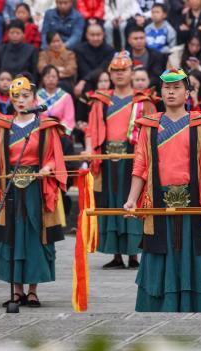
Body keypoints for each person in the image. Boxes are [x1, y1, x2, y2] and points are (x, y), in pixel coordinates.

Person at [123, 69, 201, 312]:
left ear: (188, 92)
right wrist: (131, 199)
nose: (170, 91)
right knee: (158, 255)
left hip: (194, 202)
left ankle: (195, 306)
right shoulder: (149, 126)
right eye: (166, 87)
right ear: (160, 92)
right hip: (158, 202)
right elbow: (141, 165)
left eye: (177, 87)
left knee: (193, 256)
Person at [0, 74, 67, 307]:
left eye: (25, 96)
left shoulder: (45, 126)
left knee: (34, 236)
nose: (21, 100)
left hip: (35, 190)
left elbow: (53, 157)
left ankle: (33, 290)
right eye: (16, 96)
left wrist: (47, 168)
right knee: (12, 236)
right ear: (11, 99)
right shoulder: (2, 126)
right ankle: (16, 290)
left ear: (34, 98)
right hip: (9, 188)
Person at [85, 52, 155, 270]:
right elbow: (91, 129)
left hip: (133, 157)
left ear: (132, 73)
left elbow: (152, 130)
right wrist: (89, 150)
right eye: (115, 71)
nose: (119, 74)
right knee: (111, 201)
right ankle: (116, 253)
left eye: (123, 70)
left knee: (132, 198)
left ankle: (134, 253)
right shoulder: (101, 100)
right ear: (110, 73)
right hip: (107, 158)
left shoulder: (142, 101)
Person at [72, 23, 116, 100]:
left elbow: (102, 68)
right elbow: (83, 70)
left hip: (103, 80)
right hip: (86, 81)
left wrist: (83, 80)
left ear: (103, 35)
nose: (95, 38)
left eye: (98, 35)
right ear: (87, 35)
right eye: (92, 35)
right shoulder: (79, 49)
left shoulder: (110, 50)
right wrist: (83, 81)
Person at [37, 65, 75, 136]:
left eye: (54, 77)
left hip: (60, 132)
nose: (51, 79)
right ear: (43, 79)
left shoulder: (66, 97)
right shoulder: (36, 96)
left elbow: (69, 119)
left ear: (58, 79)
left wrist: (59, 130)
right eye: (48, 77)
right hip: (40, 132)